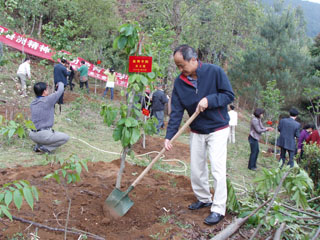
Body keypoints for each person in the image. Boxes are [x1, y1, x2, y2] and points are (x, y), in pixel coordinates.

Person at [164, 45, 234, 225]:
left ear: (194, 59)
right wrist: (169, 136)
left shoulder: (215, 72)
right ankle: (204, 198)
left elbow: (228, 95)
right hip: (197, 129)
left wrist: (209, 100)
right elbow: (177, 111)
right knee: (196, 169)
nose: (181, 70)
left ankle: (218, 208)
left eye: (182, 65)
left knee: (217, 169)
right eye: (177, 66)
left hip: (218, 128)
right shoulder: (179, 83)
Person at [29, 82, 70, 153]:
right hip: (43, 135)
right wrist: (60, 83)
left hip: (32, 134)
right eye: (47, 89)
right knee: (65, 137)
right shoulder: (48, 100)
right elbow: (60, 91)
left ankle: (39, 146)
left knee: (47, 134)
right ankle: (45, 148)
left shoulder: (33, 102)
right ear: (44, 91)